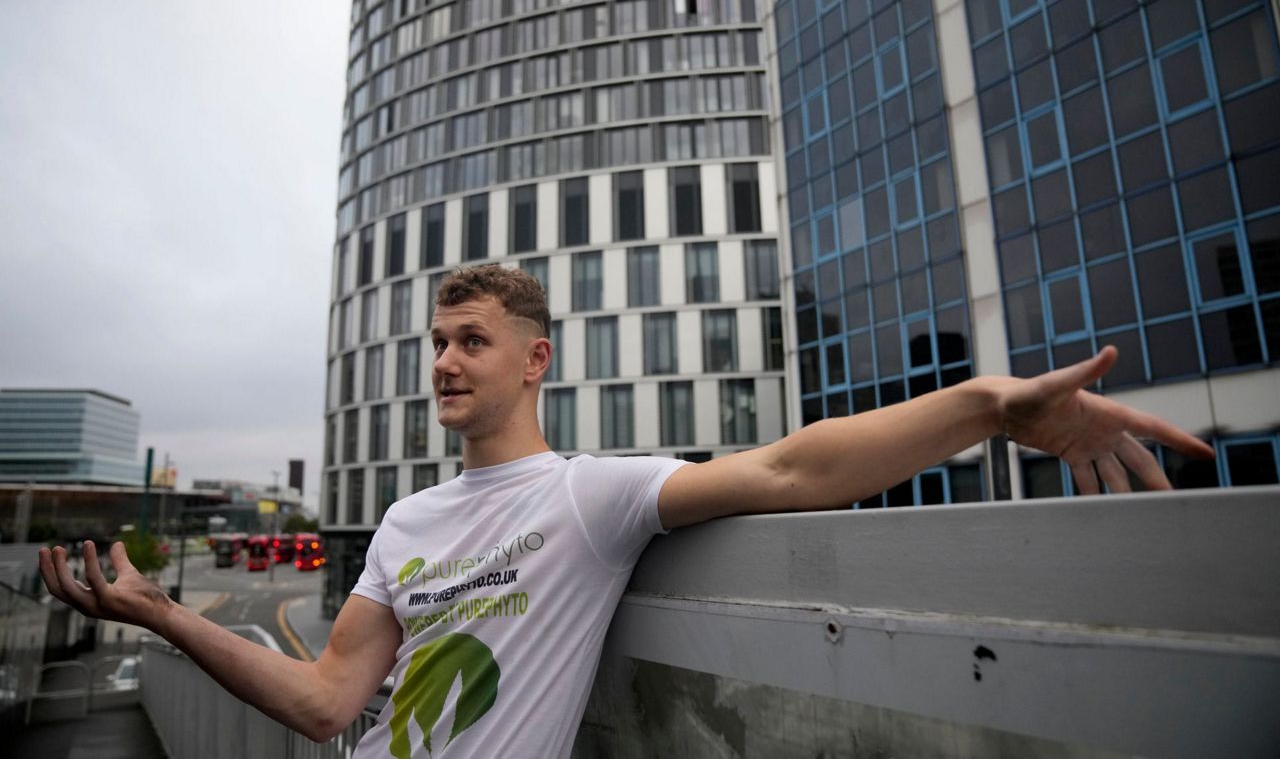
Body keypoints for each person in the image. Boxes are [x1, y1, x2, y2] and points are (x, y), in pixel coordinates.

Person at [39, 265, 1212, 758]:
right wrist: (158, 613)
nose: (443, 362)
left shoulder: (588, 496)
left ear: (534, 358)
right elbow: (328, 700)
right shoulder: (402, 522)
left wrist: (991, 407)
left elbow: (794, 469)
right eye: (435, 342)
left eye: (470, 341)